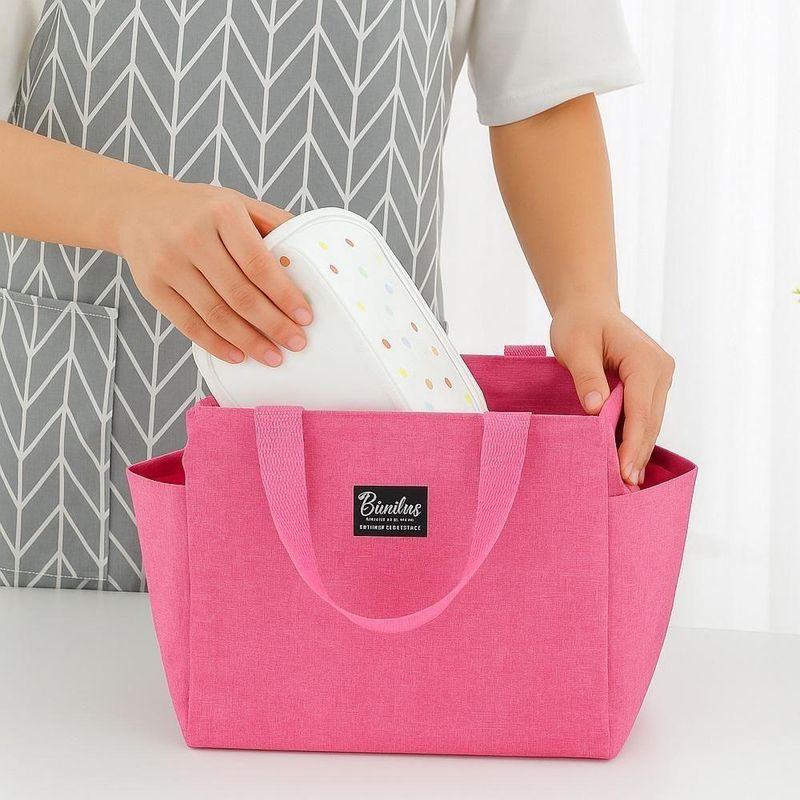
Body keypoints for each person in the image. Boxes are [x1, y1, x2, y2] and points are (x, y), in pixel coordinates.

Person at [0, 0, 674, 590]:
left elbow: (542, 89)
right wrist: (129, 210)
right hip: (75, 430)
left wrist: (586, 298)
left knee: (358, 651)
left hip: (373, 396)